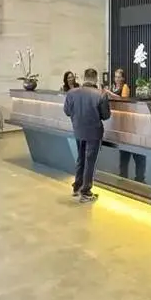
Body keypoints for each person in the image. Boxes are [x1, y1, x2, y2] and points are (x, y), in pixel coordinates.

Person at [63, 68, 111, 203]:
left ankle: (77, 186)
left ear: (84, 78)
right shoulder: (101, 95)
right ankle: (86, 192)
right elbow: (106, 116)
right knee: (90, 161)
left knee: (81, 158)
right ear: (95, 79)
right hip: (94, 132)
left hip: (78, 130)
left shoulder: (71, 93)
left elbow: (67, 111)